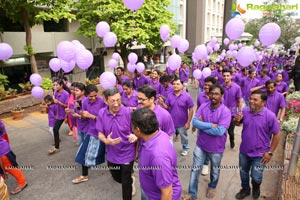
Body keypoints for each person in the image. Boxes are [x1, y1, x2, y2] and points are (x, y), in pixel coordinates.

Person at [183, 84, 231, 200]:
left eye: (217, 94)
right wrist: (210, 125)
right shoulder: (203, 106)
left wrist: (202, 125)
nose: (213, 96)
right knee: (195, 169)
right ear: (208, 94)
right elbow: (194, 122)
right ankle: (192, 194)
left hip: (216, 148)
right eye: (211, 93)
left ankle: (212, 186)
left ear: (222, 96)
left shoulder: (225, 112)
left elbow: (220, 131)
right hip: (201, 145)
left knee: (215, 170)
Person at [234, 90, 281, 199]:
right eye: (251, 99)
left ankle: (256, 187)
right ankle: (245, 189)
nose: (251, 101)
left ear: (263, 102)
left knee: (256, 177)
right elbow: (237, 123)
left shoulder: (270, 116)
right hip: (244, 151)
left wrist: (270, 152)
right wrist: (236, 120)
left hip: (260, 154)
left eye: (255, 99)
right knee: (243, 173)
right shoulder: (245, 111)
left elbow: (277, 134)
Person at [131, 108, 182, 200]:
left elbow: (167, 192)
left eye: (132, 126)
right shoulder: (158, 133)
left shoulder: (158, 157)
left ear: (138, 130)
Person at [97, 88, 137, 200]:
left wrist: (135, 136)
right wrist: (106, 140)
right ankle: (131, 179)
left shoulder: (128, 112)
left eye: (118, 100)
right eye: (112, 101)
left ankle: (129, 181)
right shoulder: (101, 113)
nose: (116, 104)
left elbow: (137, 130)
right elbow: (100, 133)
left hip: (127, 153)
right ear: (105, 101)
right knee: (116, 177)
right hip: (111, 154)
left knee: (125, 182)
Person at [73, 84, 106, 184]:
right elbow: (83, 117)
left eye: (95, 95)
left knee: (111, 153)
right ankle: (84, 175)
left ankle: (123, 173)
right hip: (91, 131)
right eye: (91, 96)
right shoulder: (84, 102)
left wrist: (92, 116)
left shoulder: (101, 101)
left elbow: (105, 118)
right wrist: (81, 113)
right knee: (83, 153)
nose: (93, 98)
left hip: (102, 131)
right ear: (86, 95)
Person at [159, 78, 194, 156]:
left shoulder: (187, 96)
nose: (175, 85)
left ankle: (186, 148)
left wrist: (188, 122)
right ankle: (168, 150)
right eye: (174, 84)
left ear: (182, 86)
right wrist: (161, 103)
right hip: (171, 121)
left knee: (184, 136)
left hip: (182, 122)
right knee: (169, 137)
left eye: (178, 84)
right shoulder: (170, 95)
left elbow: (191, 109)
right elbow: (167, 107)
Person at [0, 120, 28, 195]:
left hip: (2, 151)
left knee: (10, 168)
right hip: (4, 148)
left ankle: (22, 182)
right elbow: (4, 135)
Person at [222, 68, 243, 149]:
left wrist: (239, 111)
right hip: (222, 113)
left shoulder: (236, 88)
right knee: (222, 130)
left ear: (231, 76)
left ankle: (232, 139)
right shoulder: (220, 87)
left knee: (230, 131)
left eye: (228, 76)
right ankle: (221, 144)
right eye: (224, 76)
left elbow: (239, 101)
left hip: (232, 113)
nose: (226, 77)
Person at [48, 79, 70, 155]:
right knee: (55, 129)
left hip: (64, 114)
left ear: (61, 85)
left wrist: (59, 102)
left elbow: (67, 106)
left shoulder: (66, 94)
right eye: (54, 85)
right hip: (57, 114)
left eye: (57, 85)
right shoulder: (55, 92)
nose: (55, 86)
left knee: (75, 128)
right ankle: (57, 147)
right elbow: (54, 102)